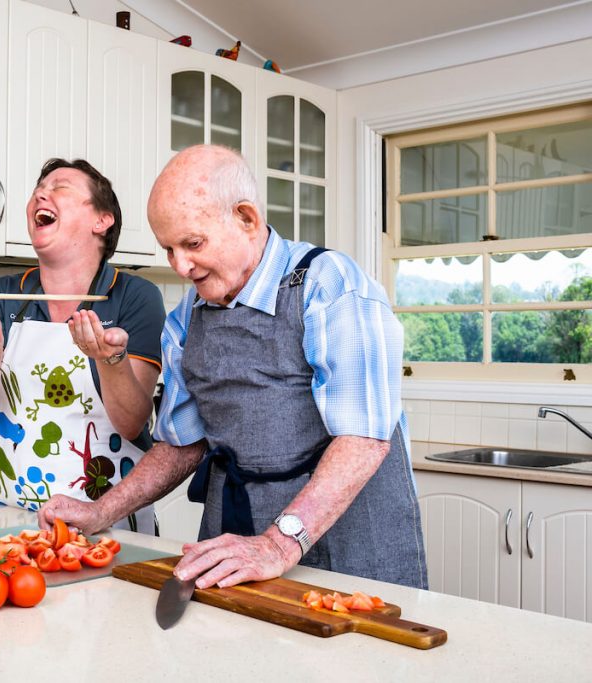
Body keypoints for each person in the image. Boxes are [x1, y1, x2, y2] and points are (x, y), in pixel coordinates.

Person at [39, 145, 427, 589]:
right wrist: (100, 511)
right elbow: (181, 443)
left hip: (353, 541)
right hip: (239, 539)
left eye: (193, 243)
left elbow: (363, 439)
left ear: (247, 218)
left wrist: (279, 545)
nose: (180, 266)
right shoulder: (187, 317)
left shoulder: (330, 284)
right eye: (168, 249)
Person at [0, 158, 166, 533]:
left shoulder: (134, 296)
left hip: (107, 525)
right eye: (38, 190)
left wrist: (110, 360)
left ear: (102, 220)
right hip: (11, 519)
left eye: (60, 187)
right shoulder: (2, 294)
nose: (40, 194)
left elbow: (132, 423)